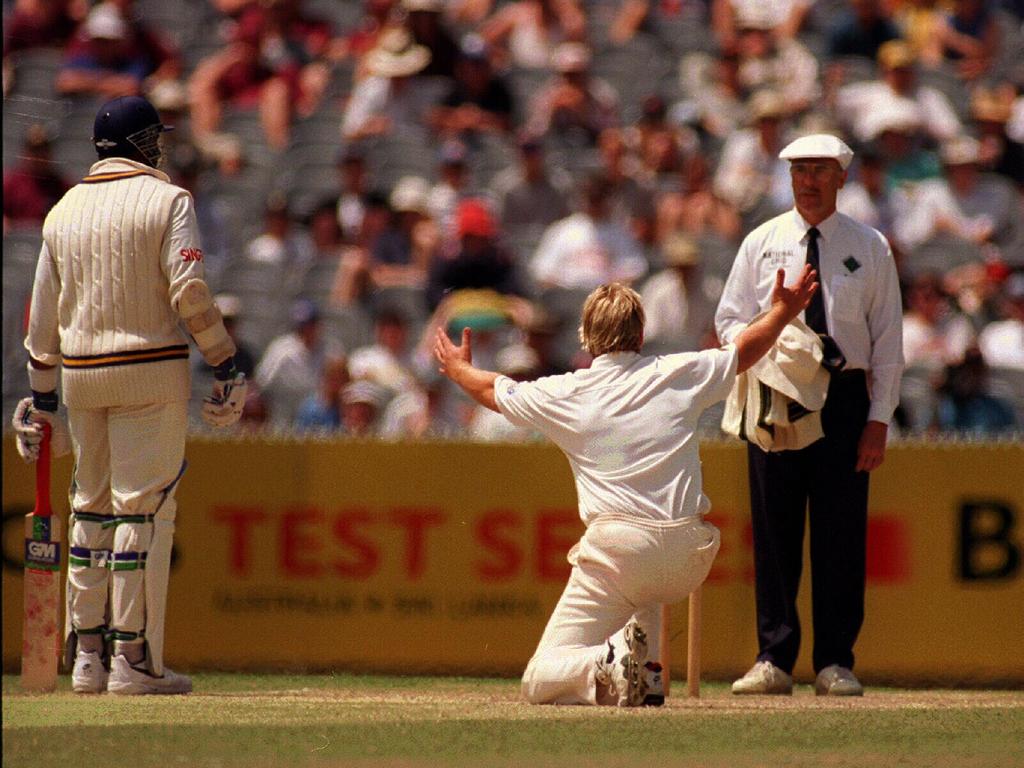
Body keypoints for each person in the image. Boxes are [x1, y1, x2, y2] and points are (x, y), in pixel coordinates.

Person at [433, 267, 820, 706]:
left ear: (585, 336)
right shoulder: (679, 371)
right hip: (688, 556)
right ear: (640, 335)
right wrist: (783, 312)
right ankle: (645, 676)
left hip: (621, 552)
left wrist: (458, 368)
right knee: (643, 586)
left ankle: (611, 663)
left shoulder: (567, 392)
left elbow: (492, 389)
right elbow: (744, 350)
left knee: (539, 680)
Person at [11, 95, 246, 696]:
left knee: (90, 508)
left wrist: (42, 401)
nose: (161, 148)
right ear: (143, 143)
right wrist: (224, 358)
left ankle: (86, 655)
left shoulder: (61, 211)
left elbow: (41, 324)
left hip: (82, 375)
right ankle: (132, 660)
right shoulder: (169, 200)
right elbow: (189, 290)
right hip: (150, 370)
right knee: (139, 509)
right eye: (156, 139)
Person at [716, 133, 904, 697]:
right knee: (774, 530)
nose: (809, 180)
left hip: (844, 395)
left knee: (840, 531)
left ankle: (835, 661)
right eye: (799, 169)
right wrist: (773, 337)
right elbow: (728, 324)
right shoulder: (762, 241)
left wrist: (878, 419)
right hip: (775, 389)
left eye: (820, 169)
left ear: (842, 176)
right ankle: (773, 657)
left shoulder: (869, 245)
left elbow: (888, 341)